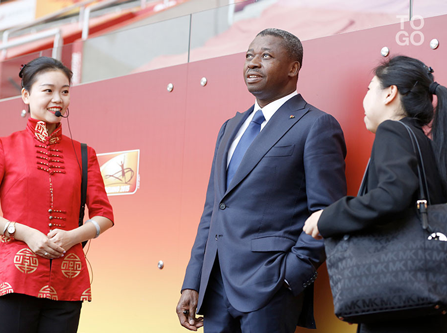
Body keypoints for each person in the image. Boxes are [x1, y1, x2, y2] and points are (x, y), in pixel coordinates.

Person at [176, 28, 347, 333]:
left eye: (266, 56)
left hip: (271, 287)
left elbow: (327, 213)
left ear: (294, 67)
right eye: (249, 56)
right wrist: (193, 281)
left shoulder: (316, 125)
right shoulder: (230, 127)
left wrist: (290, 276)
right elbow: (213, 210)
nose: (253, 63)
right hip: (214, 290)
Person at [0, 56, 114, 333]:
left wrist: (73, 236)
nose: (58, 99)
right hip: (16, 279)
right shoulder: (3, 147)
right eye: (48, 90)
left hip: (68, 280)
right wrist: (23, 232)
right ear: (25, 95)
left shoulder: (84, 153)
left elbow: (104, 215)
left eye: (65, 91)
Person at [303, 55, 447, 333]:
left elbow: (390, 196)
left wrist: (327, 218)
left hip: (395, 312)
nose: (363, 99)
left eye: (370, 88)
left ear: (389, 93)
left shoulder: (393, 130)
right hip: (424, 305)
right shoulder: (420, 139)